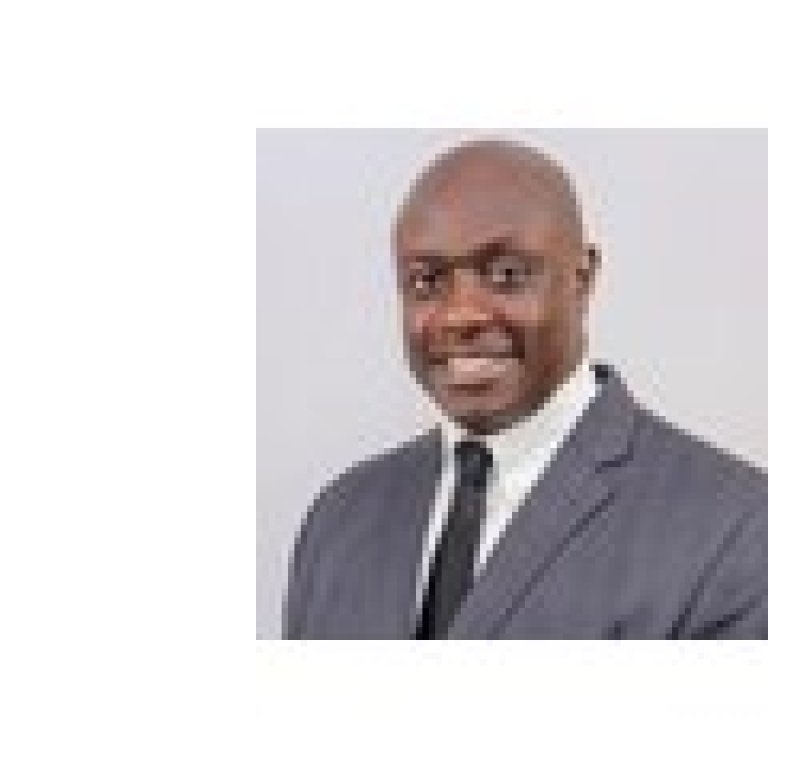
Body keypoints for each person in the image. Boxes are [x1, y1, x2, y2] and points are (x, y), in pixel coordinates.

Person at [284, 138, 767, 639]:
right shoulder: (338, 523)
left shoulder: (739, 529)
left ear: (583, 279)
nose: (460, 315)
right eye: (426, 281)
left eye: (507, 275)